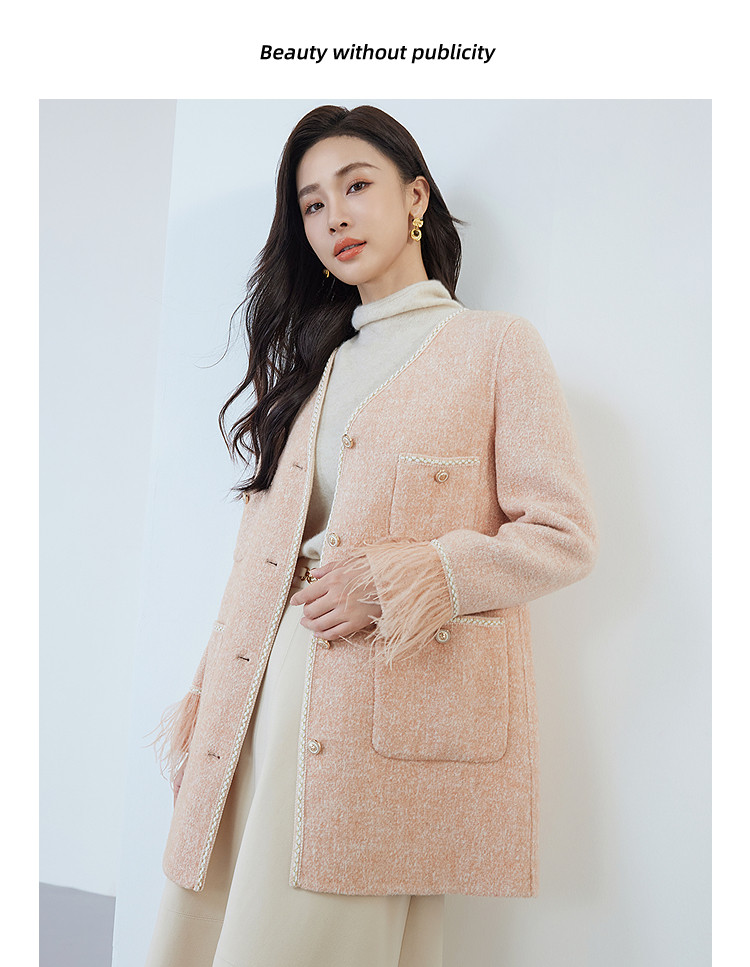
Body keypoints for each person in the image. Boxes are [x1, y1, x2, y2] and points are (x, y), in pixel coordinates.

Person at [144, 103, 599, 967]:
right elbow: (256, 567)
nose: (335, 217)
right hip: (261, 700)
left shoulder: (495, 347)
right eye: (313, 204)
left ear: (416, 197)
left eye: (356, 186)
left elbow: (563, 533)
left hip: (376, 719)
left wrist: (405, 577)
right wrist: (207, 706)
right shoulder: (312, 369)